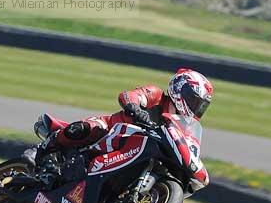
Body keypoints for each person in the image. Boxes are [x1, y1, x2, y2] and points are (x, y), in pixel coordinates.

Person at [23, 68, 213, 190]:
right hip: (111, 131)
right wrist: (136, 109)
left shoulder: (185, 126)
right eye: (194, 100)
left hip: (139, 152)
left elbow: (188, 147)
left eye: (201, 105)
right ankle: (40, 151)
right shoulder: (156, 96)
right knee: (84, 129)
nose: (196, 107)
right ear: (179, 90)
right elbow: (129, 96)